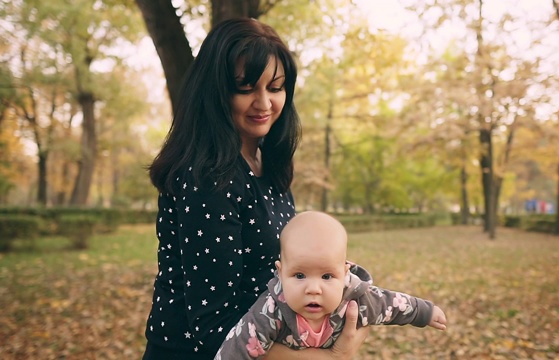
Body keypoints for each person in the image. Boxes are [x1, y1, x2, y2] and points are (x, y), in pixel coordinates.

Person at [142, 18, 368, 359]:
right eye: (245, 87)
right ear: (215, 91)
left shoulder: (266, 165)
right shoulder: (207, 178)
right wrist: (329, 357)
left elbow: (268, 274)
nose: (264, 103)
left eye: (275, 88)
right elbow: (215, 327)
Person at [215, 211, 447, 359]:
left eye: (327, 276)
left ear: (344, 273)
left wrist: (424, 312)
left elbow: (392, 304)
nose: (313, 288)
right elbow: (238, 346)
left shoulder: (355, 298)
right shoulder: (271, 310)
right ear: (281, 272)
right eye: (299, 275)